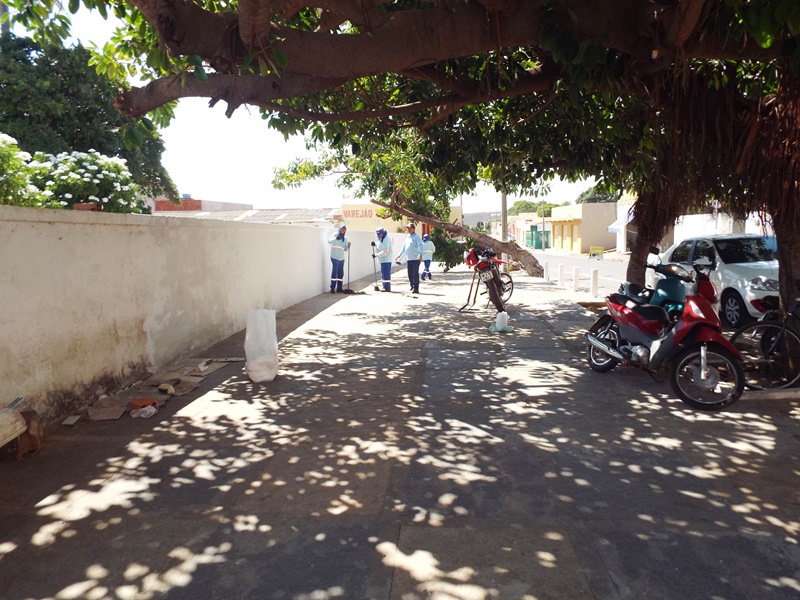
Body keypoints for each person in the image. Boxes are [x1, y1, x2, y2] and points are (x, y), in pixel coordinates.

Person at [395, 222, 424, 293]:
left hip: (415, 259)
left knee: (415, 273)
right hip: (409, 259)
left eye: (410, 228)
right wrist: (399, 254)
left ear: (414, 229)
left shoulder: (417, 237)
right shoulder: (407, 237)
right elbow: (404, 247)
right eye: (408, 228)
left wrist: (420, 254)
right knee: (410, 274)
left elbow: (421, 246)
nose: (408, 230)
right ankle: (412, 286)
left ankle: (416, 288)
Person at [328, 224, 350, 293]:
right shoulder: (335, 234)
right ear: (339, 229)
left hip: (341, 258)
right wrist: (336, 238)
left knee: (340, 273)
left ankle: (339, 288)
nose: (343, 230)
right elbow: (329, 241)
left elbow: (345, 249)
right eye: (342, 229)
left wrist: (348, 246)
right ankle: (332, 288)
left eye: (344, 229)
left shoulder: (345, 238)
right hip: (334, 257)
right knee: (334, 272)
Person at [373, 227, 393, 291]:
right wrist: (375, 244)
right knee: (384, 274)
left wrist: (376, 255)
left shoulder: (386, 239)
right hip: (383, 260)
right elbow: (380, 244)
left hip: (386, 259)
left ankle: (387, 288)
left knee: (386, 274)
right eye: (378, 234)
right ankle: (384, 287)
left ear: (382, 233)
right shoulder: (381, 238)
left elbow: (385, 251)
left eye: (379, 234)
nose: (379, 235)